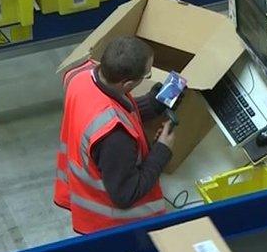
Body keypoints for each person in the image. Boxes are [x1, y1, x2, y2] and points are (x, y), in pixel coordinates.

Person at [53, 36, 175, 234]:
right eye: (147, 74)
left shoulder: (79, 77)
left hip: (83, 194)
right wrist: (162, 150)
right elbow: (126, 194)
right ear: (127, 84)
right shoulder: (114, 137)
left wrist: (152, 104)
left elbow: (109, 106)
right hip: (112, 225)